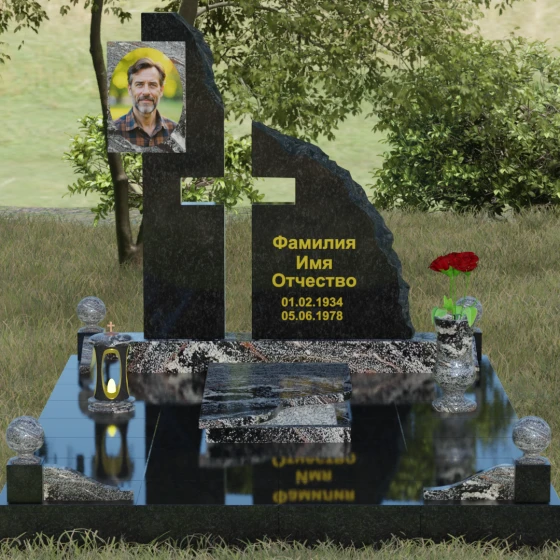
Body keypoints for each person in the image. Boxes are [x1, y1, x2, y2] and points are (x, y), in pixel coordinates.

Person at [113, 57, 177, 148]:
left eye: (152, 85)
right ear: (129, 89)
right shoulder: (113, 131)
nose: (146, 92)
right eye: (139, 84)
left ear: (161, 90)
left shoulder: (176, 131)